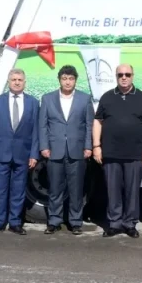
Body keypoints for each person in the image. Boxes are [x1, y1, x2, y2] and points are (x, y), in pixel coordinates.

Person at [93, 64, 142, 238]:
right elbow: (98, 121)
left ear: (132, 76)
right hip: (111, 153)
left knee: (132, 192)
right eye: (120, 74)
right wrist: (96, 146)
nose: (124, 77)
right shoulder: (107, 97)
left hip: (135, 154)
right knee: (112, 191)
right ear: (116, 76)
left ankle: (130, 224)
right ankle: (114, 224)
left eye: (127, 74)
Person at [40, 64, 94, 235]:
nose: (68, 82)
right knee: (55, 189)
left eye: (71, 78)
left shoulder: (84, 99)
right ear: (59, 80)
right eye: (64, 78)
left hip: (77, 150)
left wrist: (88, 146)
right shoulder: (47, 99)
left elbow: (89, 125)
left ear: (75, 80)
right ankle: (54, 221)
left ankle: (75, 222)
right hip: (54, 150)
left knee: (76, 190)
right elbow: (43, 125)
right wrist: (44, 146)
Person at [0, 69, 40, 235]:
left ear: (25, 82)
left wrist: (34, 154)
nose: (17, 82)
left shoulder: (33, 102)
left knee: (18, 190)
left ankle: (15, 222)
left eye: (20, 80)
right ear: (8, 82)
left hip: (23, 154)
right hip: (1, 154)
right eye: (14, 79)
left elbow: (36, 131)